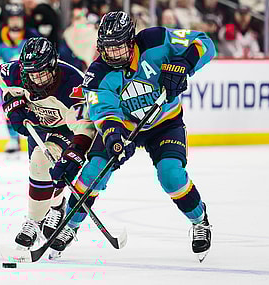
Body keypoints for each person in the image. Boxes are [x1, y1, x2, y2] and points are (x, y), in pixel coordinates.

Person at [49, 11, 215, 261]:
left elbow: (204, 43)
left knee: (171, 175)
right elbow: (104, 111)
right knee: (94, 171)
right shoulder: (97, 74)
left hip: (165, 122)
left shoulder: (156, 40)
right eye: (108, 49)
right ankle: (69, 226)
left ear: (131, 40)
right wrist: (114, 138)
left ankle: (199, 220)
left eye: (118, 48)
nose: (113, 55)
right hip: (125, 125)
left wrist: (185, 63)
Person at [0, 37, 96, 250]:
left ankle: (32, 221)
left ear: (53, 66)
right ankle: (56, 206)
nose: (38, 80)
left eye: (43, 72)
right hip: (38, 127)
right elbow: (3, 82)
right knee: (41, 171)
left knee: (45, 164)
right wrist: (12, 106)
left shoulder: (73, 85)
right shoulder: (13, 72)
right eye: (33, 73)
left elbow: (85, 126)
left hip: (66, 129)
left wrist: (76, 152)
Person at [0, 2, 40, 154]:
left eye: (18, 18)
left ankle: (39, 137)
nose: (15, 22)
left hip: (33, 81)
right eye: (12, 18)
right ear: (7, 20)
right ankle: (13, 138)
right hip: (9, 82)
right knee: (10, 108)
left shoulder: (32, 36)